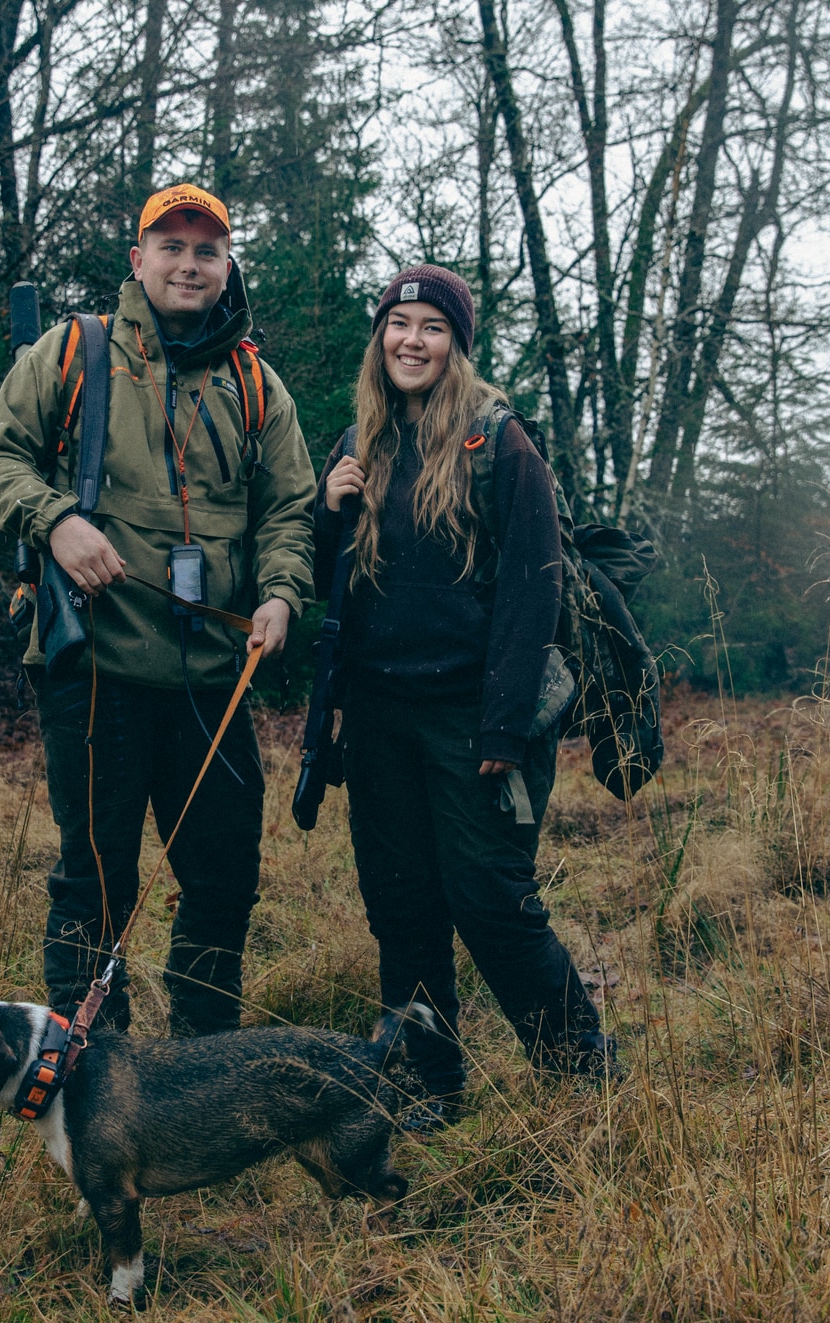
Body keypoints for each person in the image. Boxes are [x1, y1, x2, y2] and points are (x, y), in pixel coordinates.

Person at [0, 185, 315, 1037]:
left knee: (225, 878)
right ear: (139, 259)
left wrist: (279, 594)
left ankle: (203, 1070)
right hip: (96, 672)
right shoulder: (71, 353)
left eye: (206, 250)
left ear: (226, 265)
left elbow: (289, 515)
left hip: (213, 681)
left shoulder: (256, 386)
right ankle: (91, 1080)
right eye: (171, 245)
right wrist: (58, 523)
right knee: (95, 884)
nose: (189, 264)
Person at [313, 264, 615, 1122]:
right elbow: (327, 592)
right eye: (398, 323)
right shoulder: (354, 443)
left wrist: (504, 729)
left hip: (473, 719)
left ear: (458, 345)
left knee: (492, 901)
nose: (412, 340)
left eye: (432, 327)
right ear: (380, 337)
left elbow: (533, 595)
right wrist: (326, 510)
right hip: (377, 719)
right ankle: (429, 1082)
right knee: (401, 906)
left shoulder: (498, 443)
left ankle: (582, 1076)